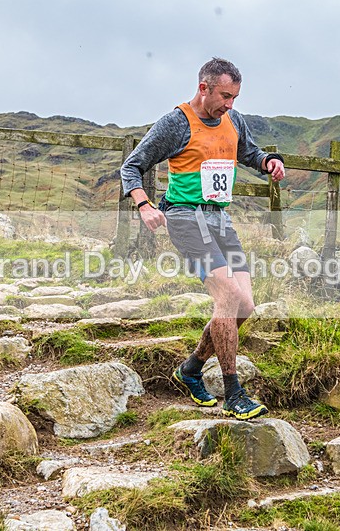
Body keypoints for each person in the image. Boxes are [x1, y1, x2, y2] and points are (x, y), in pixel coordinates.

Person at [120, 57, 286, 420]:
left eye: (235, 97)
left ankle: (191, 369)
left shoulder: (233, 119)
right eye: (225, 96)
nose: (230, 104)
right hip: (184, 218)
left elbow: (249, 152)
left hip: (220, 220)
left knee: (245, 306)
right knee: (226, 295)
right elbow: (131, 166)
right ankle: (233, 393)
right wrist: (145, 205)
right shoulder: (176, 123)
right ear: (203, 87)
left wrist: (268, 161)